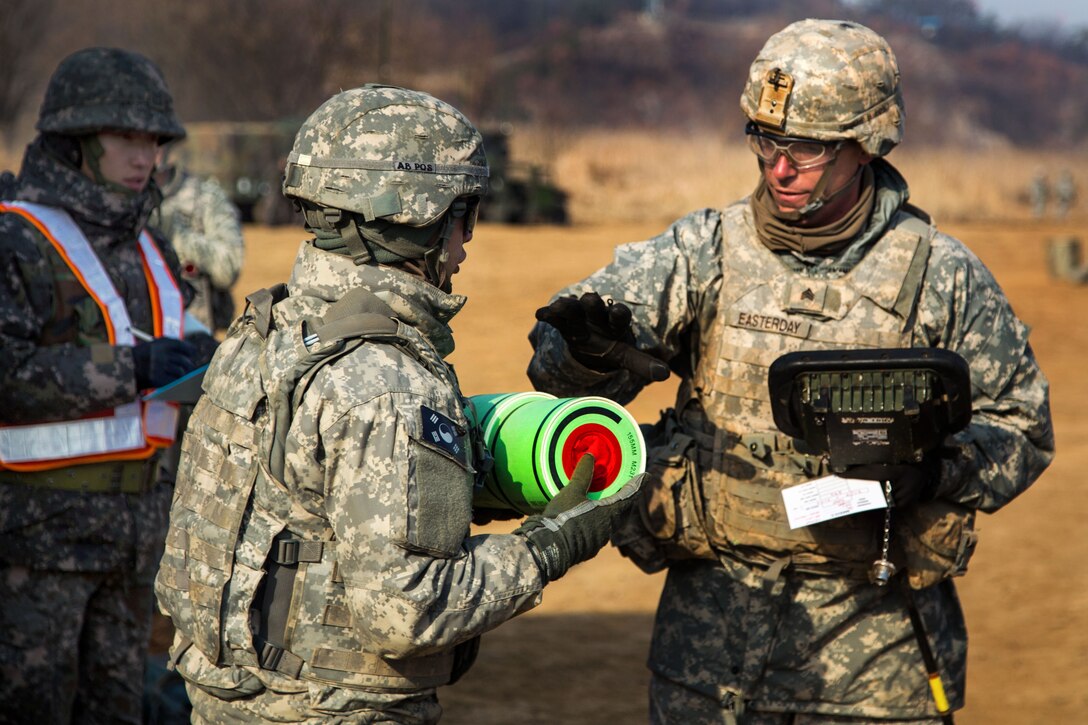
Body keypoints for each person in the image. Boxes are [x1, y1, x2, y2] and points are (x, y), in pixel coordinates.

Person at [528, 19, 1054, 724]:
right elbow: (558, 375)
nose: (778, 167)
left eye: (804, 148)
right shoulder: (700, 252)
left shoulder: (941, 275)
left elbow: (1023, 425)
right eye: (765, 141)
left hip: (875, 661)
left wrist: (936, 472)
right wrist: (586, 353)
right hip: (709, 659)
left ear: (866, 144)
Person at [154, 84, 642, 724]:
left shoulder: (264, 331)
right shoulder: (387, 380)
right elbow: (407, 611)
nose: (469, 238)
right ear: (421, 216)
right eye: (464, 214)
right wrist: (550, 546)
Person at [0, 47, 209, 723]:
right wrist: (132, 371)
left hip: (136, 551)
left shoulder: (154, 247)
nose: (144, 155)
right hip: (37, 552)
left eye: (153, 139)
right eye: (126, 137)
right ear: (76, 141)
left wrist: (205, 360)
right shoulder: (17, 241)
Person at [152, 141, 245, 333]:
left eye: (156, 140)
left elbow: (229, 266)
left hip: (195, 343)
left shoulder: (205, 197)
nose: (149, 151)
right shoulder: (113, 204)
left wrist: (180, 238)